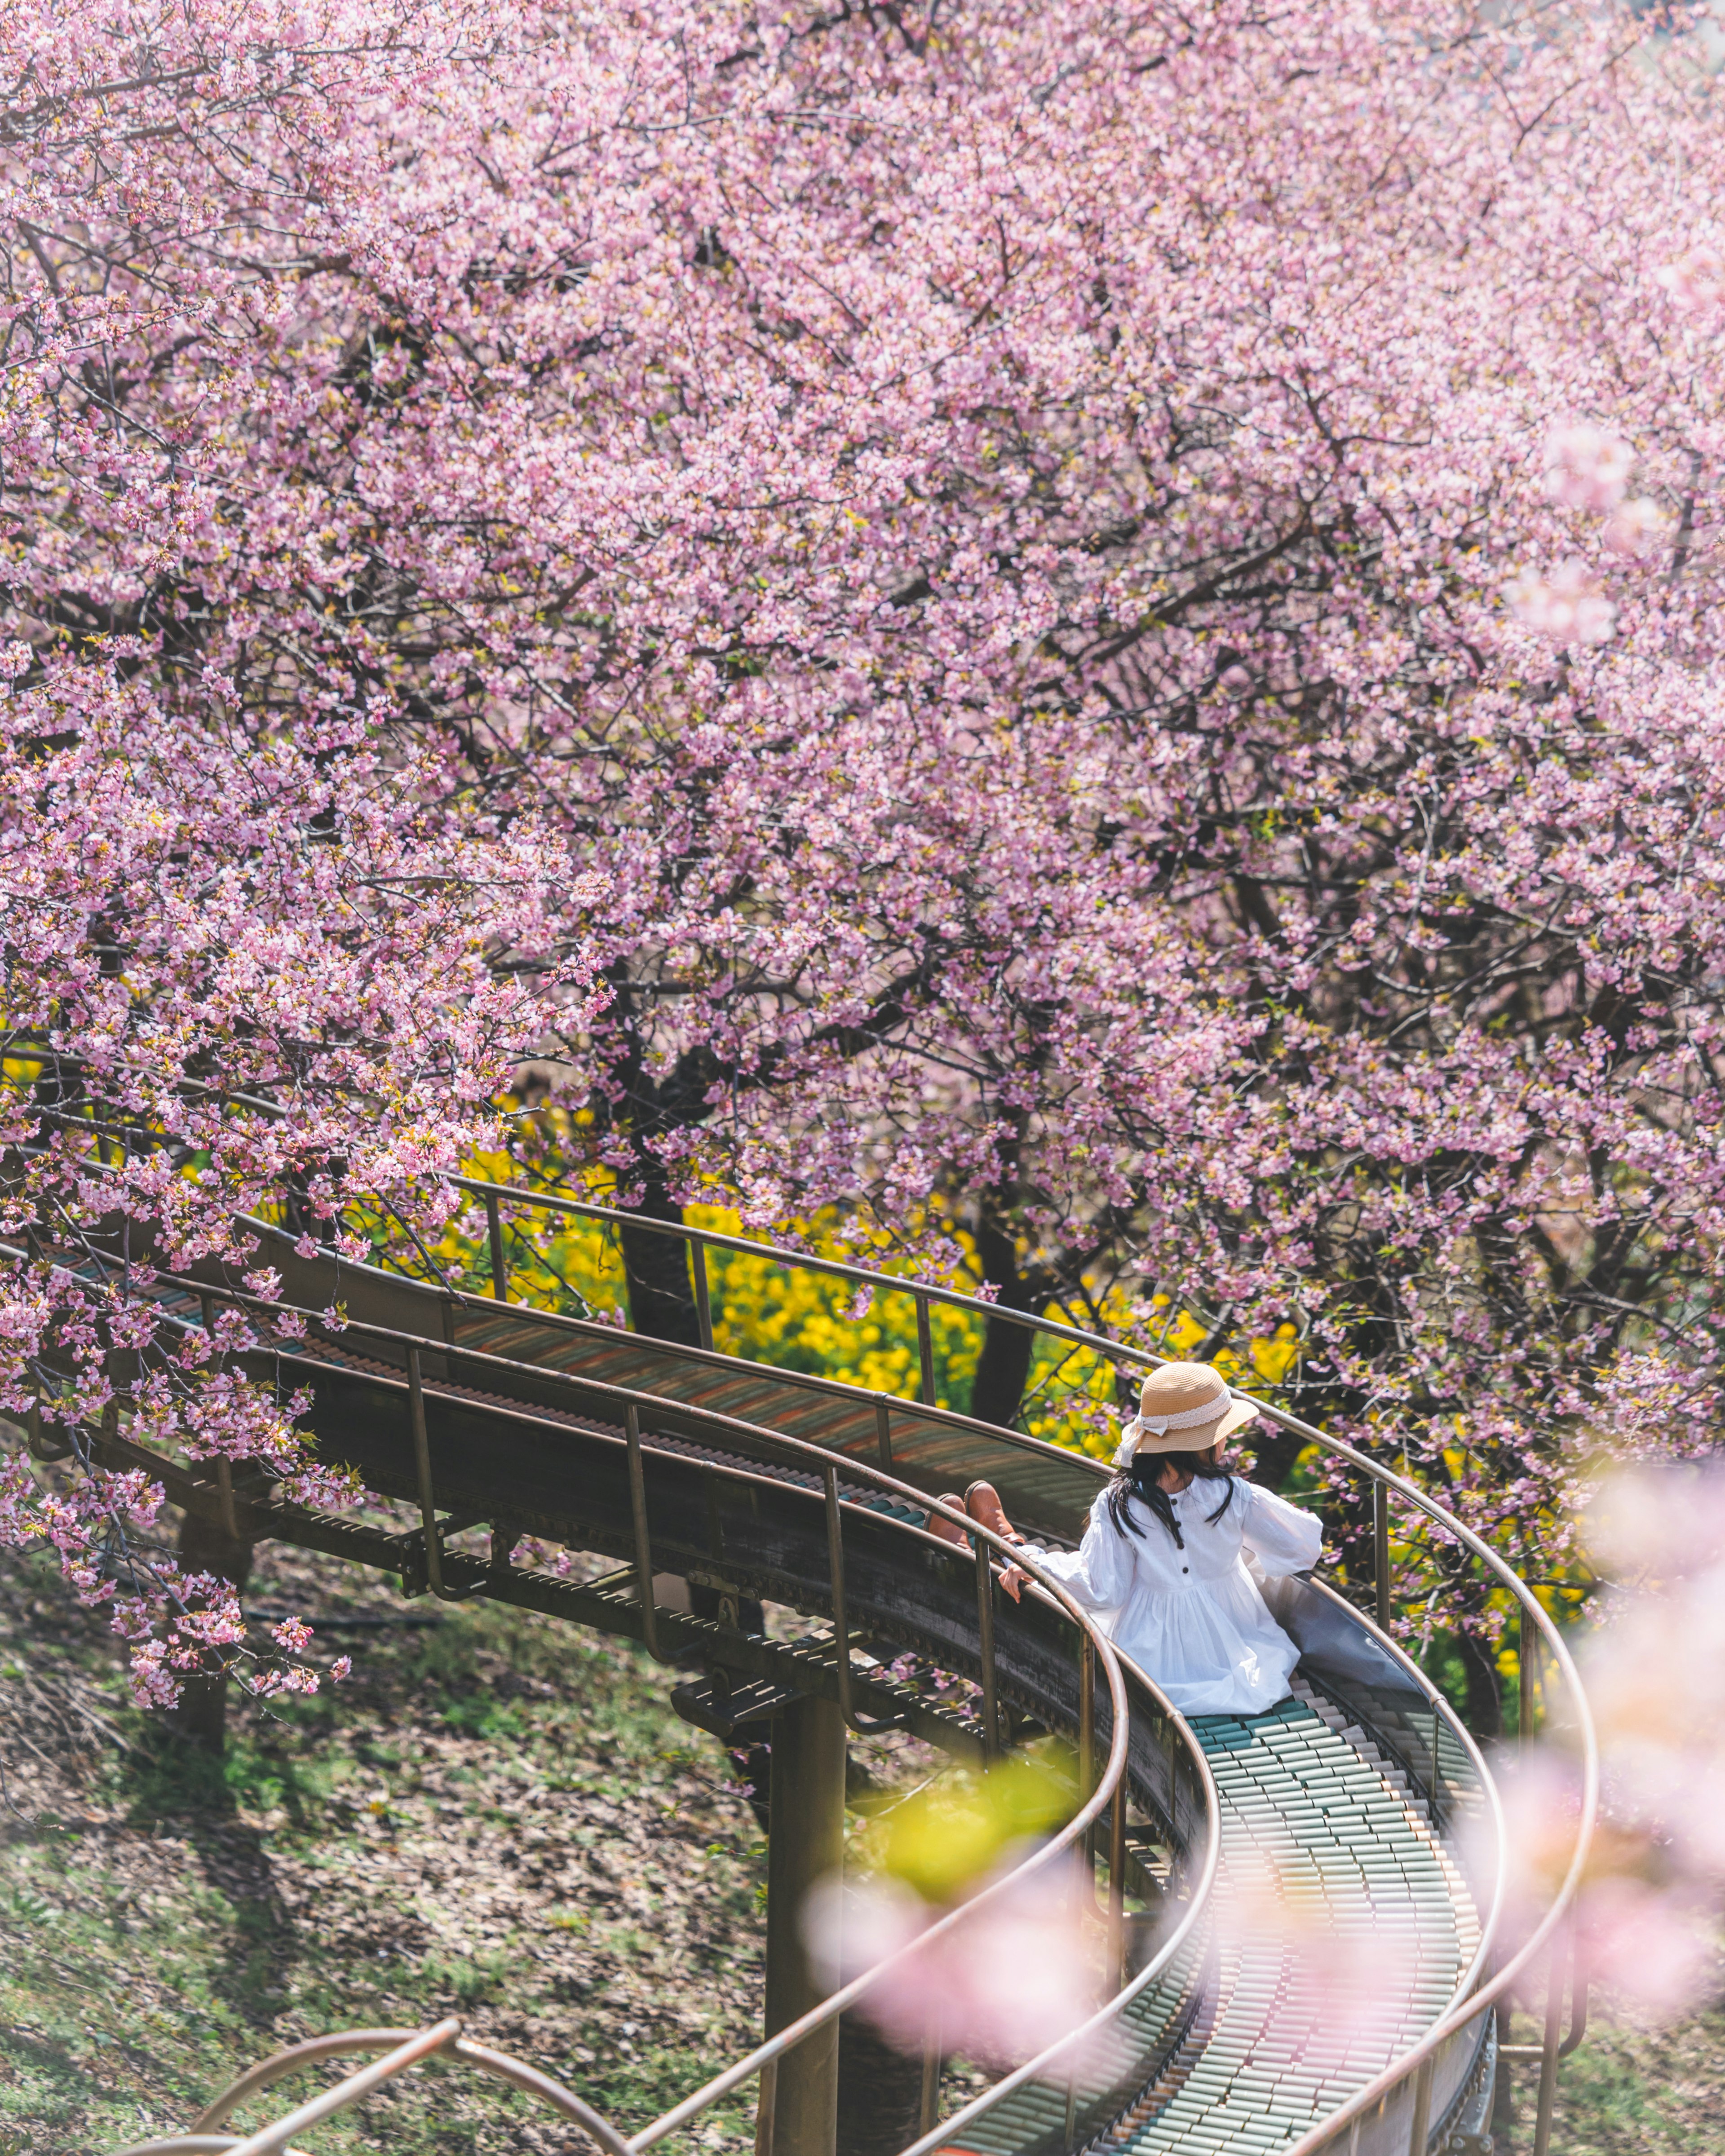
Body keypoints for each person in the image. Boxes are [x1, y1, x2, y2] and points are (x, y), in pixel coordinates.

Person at [995, 1361, 1322, 1718]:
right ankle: (1010, 1543)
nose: (1227, 1438)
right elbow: (1303, 1549)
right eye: (1221, 1432)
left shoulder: (1119, 1503)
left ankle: (1011, 1547)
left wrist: (1034, 1566)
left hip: (1152, 1659)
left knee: (1073, 1572)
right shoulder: (1233, 1494)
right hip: (1237, 1642)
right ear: (1202, 1443)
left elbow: (1105, 1591)